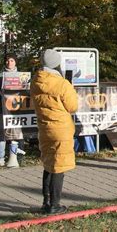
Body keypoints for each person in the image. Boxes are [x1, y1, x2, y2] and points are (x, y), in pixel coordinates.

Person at [30, 49, 78, 214]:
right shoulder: (62, 83)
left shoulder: (35, 81)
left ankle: (46, 202)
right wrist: (70, 86)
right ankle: (55, 205)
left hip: (44, 128)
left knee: (48, 164)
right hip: (61, 130)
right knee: (59, 166)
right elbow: (73, 106)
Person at [0, 53, 24, 167]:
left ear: (15, 62)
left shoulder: (21, 76)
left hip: (17, 110)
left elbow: (27, 92)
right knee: (2, 134)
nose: (9, 63)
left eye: (12, 61)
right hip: (3, 109)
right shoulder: (0, 76)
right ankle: (0, 158)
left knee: (15, 134)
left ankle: (14, 158)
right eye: (7, 61)